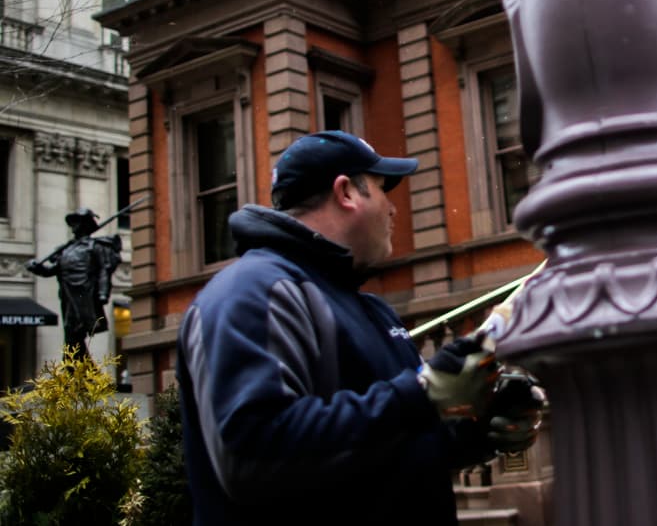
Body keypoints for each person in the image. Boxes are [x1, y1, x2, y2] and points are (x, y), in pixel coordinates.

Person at [177, 130, 544, 525]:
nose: (393, 210)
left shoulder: (372, 310)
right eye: (384, 190)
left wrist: (481, 433)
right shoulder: (251, 293)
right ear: (347, 192)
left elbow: (392, 448)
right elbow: (251, 456)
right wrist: (420, 396)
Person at [27, 208, 122, 355]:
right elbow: (52, 270)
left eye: (77, 221)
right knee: (71, 333)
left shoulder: (95, 247)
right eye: (72, 222)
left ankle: (78, 372)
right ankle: (81, 373)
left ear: (85, 224)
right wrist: (36, 268)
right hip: (68, 295)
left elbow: (104, 270)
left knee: (75, 334)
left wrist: (103, 293)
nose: (73, 225)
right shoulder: (66, 249)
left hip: (85, 295)